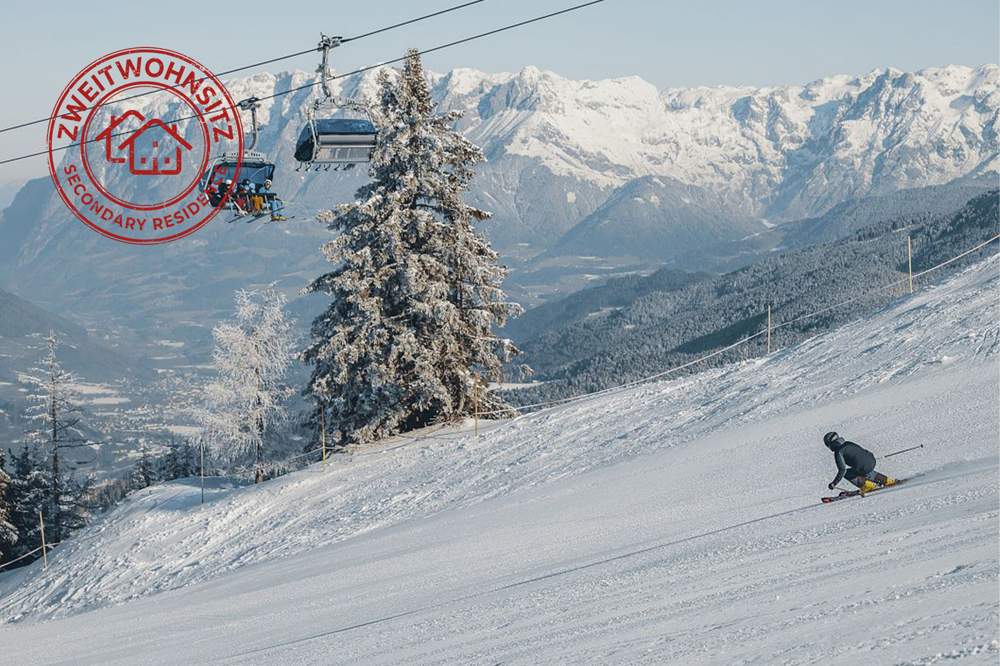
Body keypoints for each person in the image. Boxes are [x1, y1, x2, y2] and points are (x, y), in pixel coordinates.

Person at [824, 431, 897, 494]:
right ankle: (887, 480)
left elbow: (842, 470)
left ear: (831, 444)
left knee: (847, 473)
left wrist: (834, 483)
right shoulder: (848, 443)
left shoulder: (839, 452)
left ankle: (867, 486)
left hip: (863, 466)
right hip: (871, 460)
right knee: (864, 468)